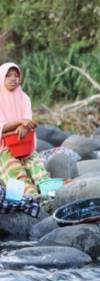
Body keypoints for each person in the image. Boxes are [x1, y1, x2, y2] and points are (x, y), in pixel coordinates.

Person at [0, 62, 49, 197]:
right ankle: (30, 201)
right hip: (3, 148)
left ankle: (50, 199)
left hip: (24, 145)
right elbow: (1, 126)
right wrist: (20, 122)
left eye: (16, 75)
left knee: (39, 172)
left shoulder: (24, 98)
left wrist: (25, 125)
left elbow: (29, 122)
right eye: (8, 75)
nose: (13, 79)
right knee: (17, 176)